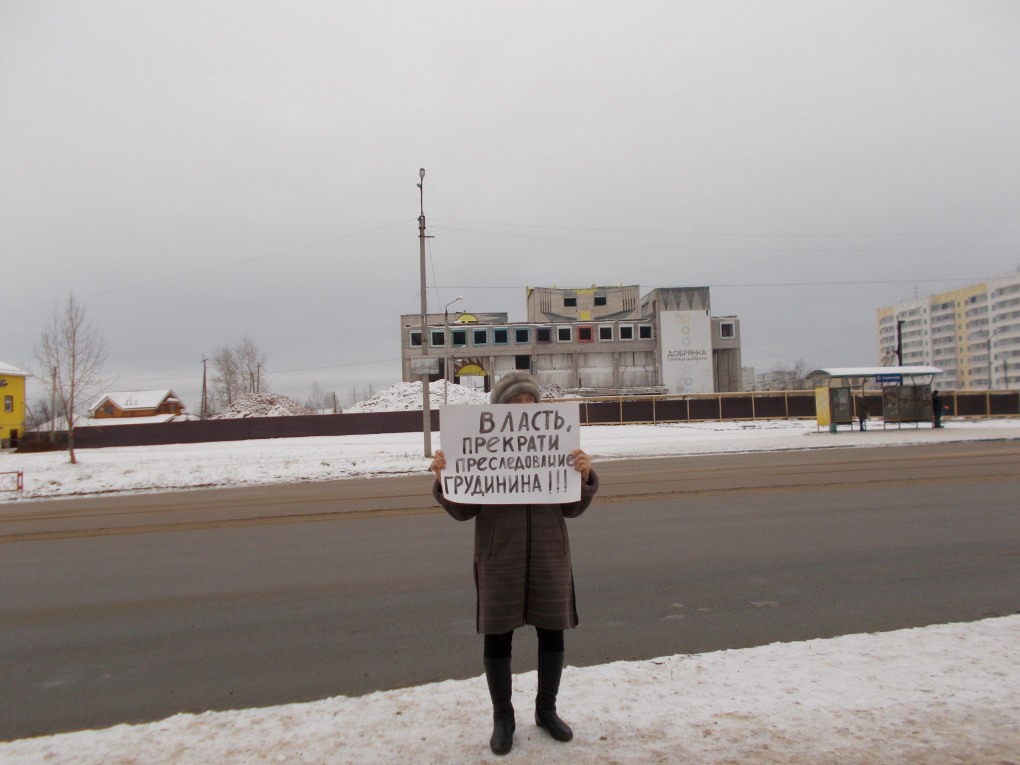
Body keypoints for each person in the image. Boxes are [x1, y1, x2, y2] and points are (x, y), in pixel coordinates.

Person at [430, 371, 599, 756]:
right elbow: (462, 510)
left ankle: (546, 711)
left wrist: (585, 476)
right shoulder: (482, 447)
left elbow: (572, 508)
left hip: (548, 554)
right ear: (500, 409)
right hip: (499, 555)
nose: (524, 409)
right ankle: (503, 718)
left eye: (529, 402)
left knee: (552, 632)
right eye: (515, 403)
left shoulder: (557, 444)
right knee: (498, 637)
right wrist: (447, 479)